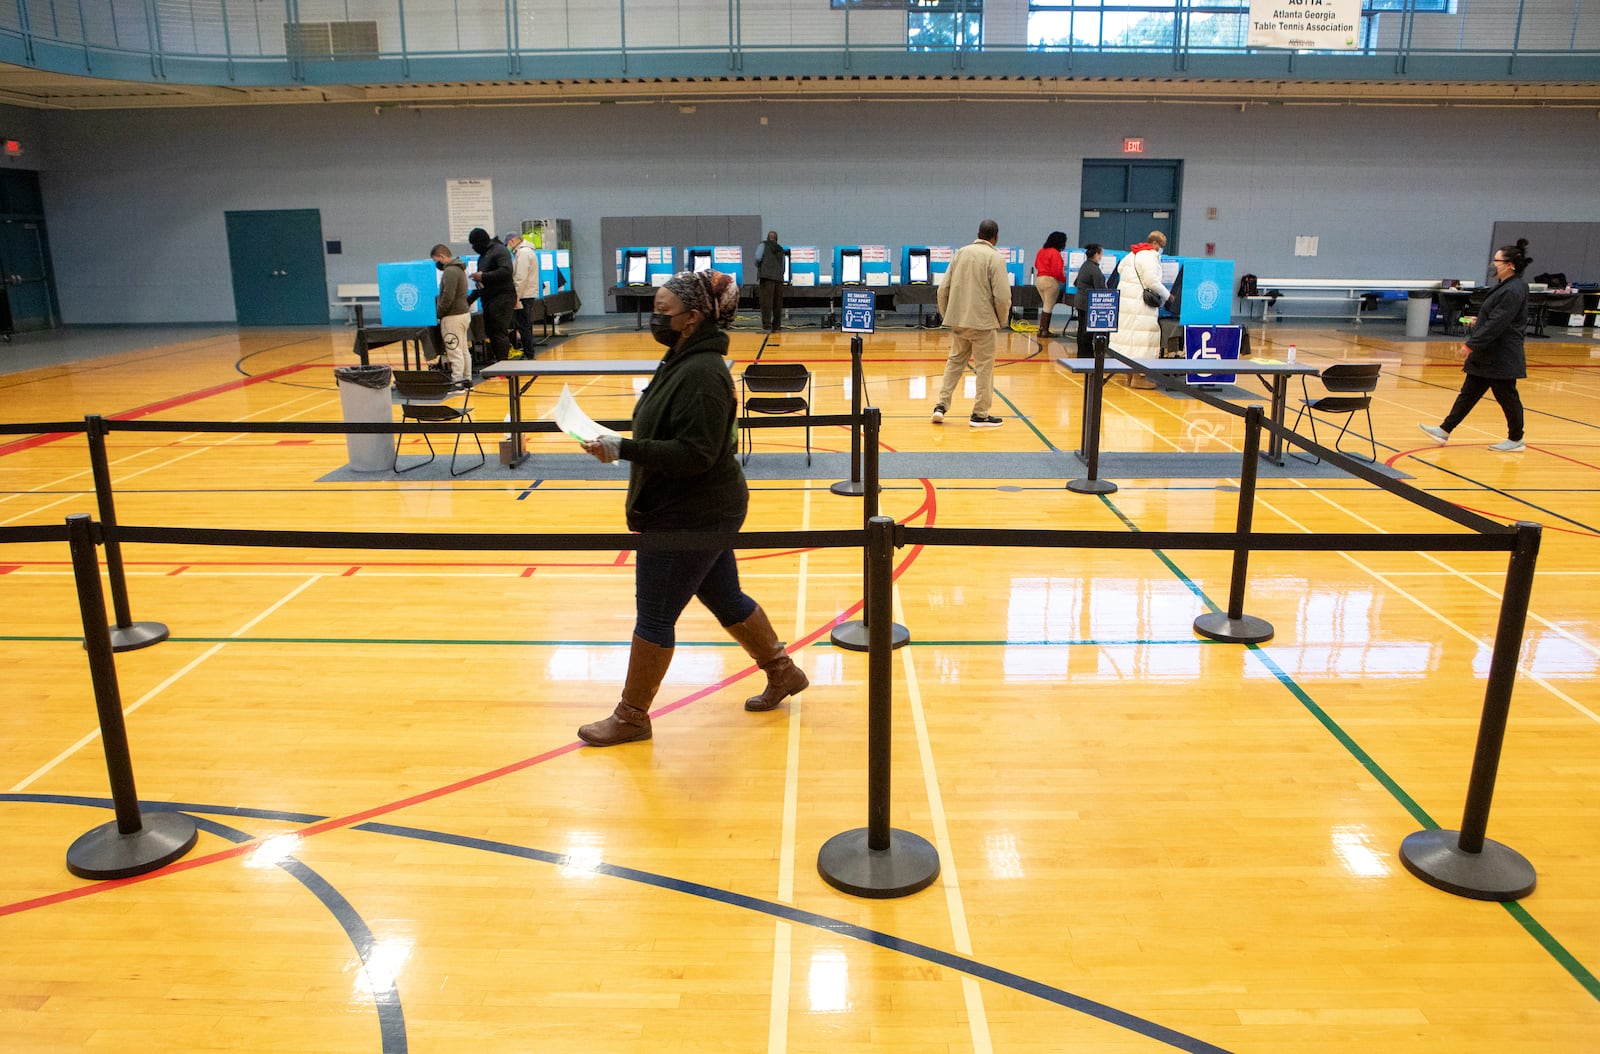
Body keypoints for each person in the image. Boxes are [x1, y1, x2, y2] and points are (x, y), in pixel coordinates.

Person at [575, 268, 809, 746]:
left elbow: (695, 452)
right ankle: (783, 672)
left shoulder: (702, 374)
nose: (654, 319)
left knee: (656, 615)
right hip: (699, 505)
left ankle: (632, 716)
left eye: (663, 312)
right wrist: (619, 443)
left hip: (692, 511)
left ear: (693, 318)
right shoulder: (682, 358)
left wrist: (624, 448)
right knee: (725, 597)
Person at [1419, 239, 1532, 453]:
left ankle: (1516, 438)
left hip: (1501, 355)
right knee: (1468, 393)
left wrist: (1471, 344)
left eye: (1497, 260)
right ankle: (1444, 430)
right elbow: (1493, 317)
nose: (1493, 264)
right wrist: (1477, 322)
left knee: (1507, 397)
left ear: (1510, 265)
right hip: (1487, 355)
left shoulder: (1514, 289)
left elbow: (1498, 322)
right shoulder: (1505, 286)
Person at [932, 219, 1012, 429]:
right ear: (996, 237)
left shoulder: (961, 253)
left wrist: (947, 314)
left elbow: (942, 289)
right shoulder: (995, 258)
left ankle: (940, 405)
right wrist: (1000, 321)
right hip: (983, 324)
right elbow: (1003, 297)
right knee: (985, 368)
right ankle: (980, 414)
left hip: (958, 321)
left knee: (955, 362)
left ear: (978, 233)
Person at [1109, 231, 1171, 385]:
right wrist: (1168, 295)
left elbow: (1119, 270)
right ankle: (1138, 378)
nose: (1161, 250)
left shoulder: (1131, 255)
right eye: (1161, 246)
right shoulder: (1149, 256)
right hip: (1141, 305)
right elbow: (1152, 281)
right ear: (1155, 244)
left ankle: (1129, 375)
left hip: (1126, 304)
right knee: (1142, 339)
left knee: (1130, 340)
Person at [466, 227, 516, 365]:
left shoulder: (499, 250)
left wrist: (483, 276)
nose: (473, 248)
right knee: (491, 331)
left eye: (474, 244)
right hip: (489, 298)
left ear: (481, 241)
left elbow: (506, 271)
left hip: (502, 297)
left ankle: (504, 365)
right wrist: (469, 299)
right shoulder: (484, 255)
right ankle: (498, 363)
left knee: (499, 331)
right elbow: (482, 283)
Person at [430, 243, 472, 382]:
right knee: (463, 349)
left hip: (452, 316)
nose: (437, 264)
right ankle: (467, 379)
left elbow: (448, 296)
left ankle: (457, 382)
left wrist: (439, 312)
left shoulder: (450, 271)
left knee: (454, 350)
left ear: (441, 256)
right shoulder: (459, 269)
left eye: (436, 260)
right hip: (463, 314)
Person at [506, 231, 539, 358]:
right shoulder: (528, 251)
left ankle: (529, 353)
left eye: (508, 244)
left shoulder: (523, 253)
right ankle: (529, 352)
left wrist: (516, 297)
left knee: (523, 325)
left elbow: (520, 278)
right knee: (526, 325)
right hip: (528, 293)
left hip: (524, 295)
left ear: (513, 241)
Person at [1073, 243, 1109, 358]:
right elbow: (1100, 288)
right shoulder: (1094, 269)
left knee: (1081, 329)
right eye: (1101, 254)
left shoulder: (1084, 265)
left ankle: (1081, 354)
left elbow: (1076, 282)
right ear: (1097, 254)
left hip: (1080, 300)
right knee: (1087, 332)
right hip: (1088, 303)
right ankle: (1087, 356)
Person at [1033, 231, 1068, 340]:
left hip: (1039, 280)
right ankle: (1044, 330)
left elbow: (1036, 264)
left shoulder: (1041, 251)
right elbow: (1057, 271)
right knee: (1048, 306)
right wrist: (1064, 280)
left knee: (1045, 305)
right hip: (1050, 281)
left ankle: (1041, 329)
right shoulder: (1055, 253)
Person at [756, 230, 786, 332]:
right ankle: (776, 327)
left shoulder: (763, 245)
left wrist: (761, 267)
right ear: (777, 239)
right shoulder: (781, 249)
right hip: (778, 278)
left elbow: (757, 258)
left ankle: (767, 326)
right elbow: (784, 266)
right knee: (777, 303)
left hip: (766, 277)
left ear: (768, 238)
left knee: (766, 302)